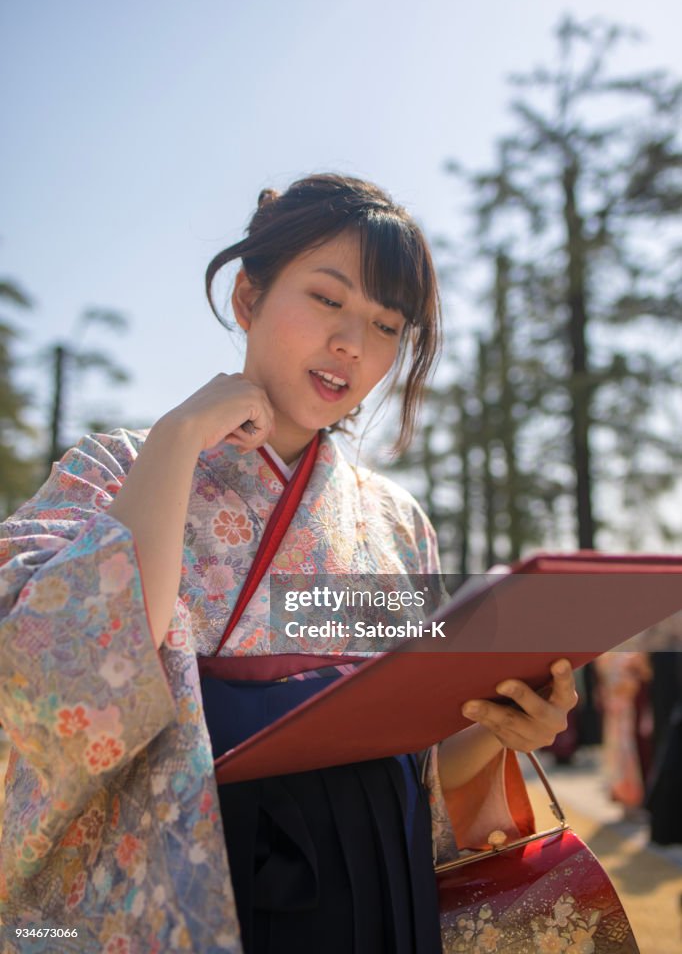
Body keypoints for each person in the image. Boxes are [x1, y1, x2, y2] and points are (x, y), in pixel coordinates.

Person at [0, 174, 577, 953]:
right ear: (247, 299)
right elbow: (52, 680)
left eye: (385, 324)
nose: (353, 344)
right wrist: (177, 439)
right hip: (195, 857)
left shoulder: (396, 524)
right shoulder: (117, 468)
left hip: (374, 868)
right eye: (328, 299)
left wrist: (503, 724)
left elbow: (421, 765)